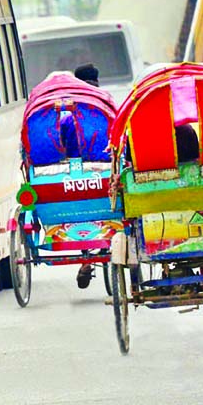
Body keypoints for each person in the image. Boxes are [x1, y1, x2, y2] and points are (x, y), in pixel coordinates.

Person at [71, 64, 112, 289]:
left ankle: (86, 259)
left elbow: (66, 140)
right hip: (106, 169)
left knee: (79, 209)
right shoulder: (106, 102)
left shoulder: (71, 107)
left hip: (77, 173)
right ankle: (107, 248)